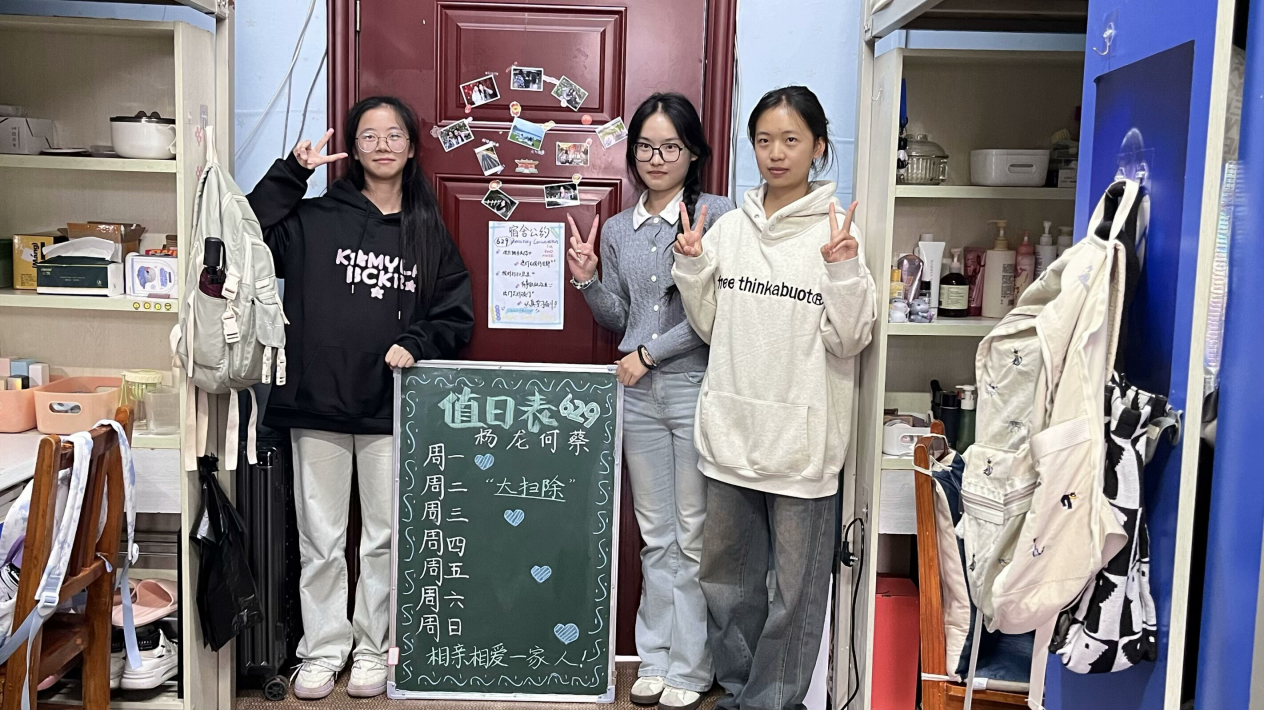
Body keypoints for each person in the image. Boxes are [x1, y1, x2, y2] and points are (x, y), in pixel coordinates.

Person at [247, 96, 474, 700]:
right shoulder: (315, 217)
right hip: (315, 402)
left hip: (389, 407)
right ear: (352, 147)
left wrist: (416, 342)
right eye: (368, 135)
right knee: (320, 540)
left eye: (393, 134)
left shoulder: (427, 229)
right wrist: (293, 172)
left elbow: (455, 315)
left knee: (383, 538)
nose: (381, 145)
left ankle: (374, 648)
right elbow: (248, 234)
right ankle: (322, 650)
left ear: (411, 147)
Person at [672, 86, 876, 710]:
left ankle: (772, 703)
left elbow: (850, 339)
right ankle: (738, 692)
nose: (776, 153)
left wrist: (843, 270)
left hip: (802, 450)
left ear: (819, 147)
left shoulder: (839, 235)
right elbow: (711, 326)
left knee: (795, 597)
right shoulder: (730, 230)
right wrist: (694, 267)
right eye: (764, 140)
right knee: (726, 585)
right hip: (731, 435)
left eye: (791, 140)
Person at [566, 92, 734, 710]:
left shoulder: (717, 216)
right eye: (645, 147)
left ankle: (691, 666)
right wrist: (587, 280)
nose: (657, 158)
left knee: (693, 535)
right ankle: (655, 658)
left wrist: (649, 354)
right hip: (636, 395)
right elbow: (621, 318)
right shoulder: (617, 228)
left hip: (692, 387)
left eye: (671, 147)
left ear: (693, 153)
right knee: (655, 533)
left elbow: (715, 314)